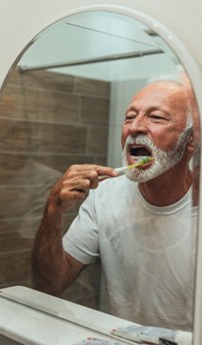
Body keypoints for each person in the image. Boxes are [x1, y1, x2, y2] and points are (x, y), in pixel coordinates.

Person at [32, 76, 197, 331]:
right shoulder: (104, 195)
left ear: (191, 141)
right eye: (130, 117)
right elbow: (49, 284)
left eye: (157, 118)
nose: (135, 127)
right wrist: (53, 209)